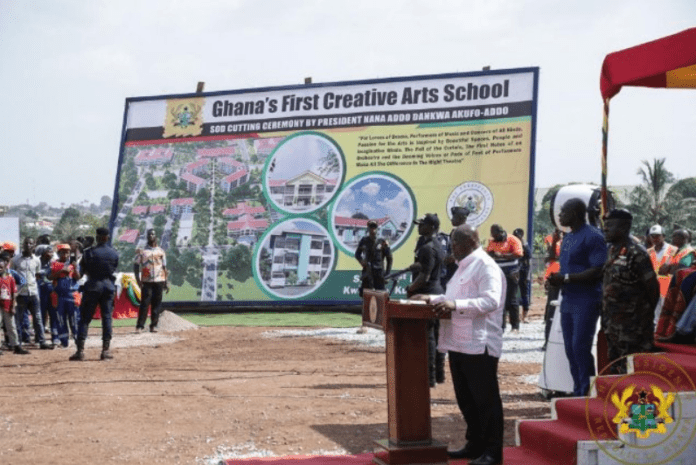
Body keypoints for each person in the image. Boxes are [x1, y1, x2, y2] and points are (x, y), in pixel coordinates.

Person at [415, 224, 505, 465]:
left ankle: (493, 453)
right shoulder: (463, 266)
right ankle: (475, 444)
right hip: (459, 341)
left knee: (485, 400)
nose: (451, 248)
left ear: (470, 242)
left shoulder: (485, 266)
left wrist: (456, 306)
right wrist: (433, 298)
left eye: (454, 243)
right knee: (466, 399)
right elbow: (453, 299)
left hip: (480, 343)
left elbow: (491, 301)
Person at [548, 198, 607, 397]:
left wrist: (565, 278)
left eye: (563, 211)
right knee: (570, 349)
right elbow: (566, 268)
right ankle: (577, 390)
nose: (560, 215)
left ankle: (587, 392)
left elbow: (598, 270)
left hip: (586, 299)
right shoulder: (568, 237)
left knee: (580, 347)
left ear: (574, 213)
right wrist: (555, 280)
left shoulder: (593, 237)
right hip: (568, 299)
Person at [602, 209, 659, 374]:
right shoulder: (612, 251)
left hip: (633, 329)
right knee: (616, 371)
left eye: (610, 225)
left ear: (625, 227)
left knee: (636, 372)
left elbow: (652, 289)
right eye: (605, 225)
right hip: (613, 326)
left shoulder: (637, 253)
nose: (605, 229)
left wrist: (643, 318)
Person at [70, 227, 119, 361]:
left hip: (92, 286)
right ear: (107, 237)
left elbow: (81, 274)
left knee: (85, 319)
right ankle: (105, 350)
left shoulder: (88, 253)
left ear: (97, 237)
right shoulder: (114, 253)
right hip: (108, 286)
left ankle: (80, 351)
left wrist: (76, 268)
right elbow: (113, 268)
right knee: (107, 318)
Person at [407, 213, 444, 388]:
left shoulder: (428, 247)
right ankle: (438, 375)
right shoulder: (436, 244)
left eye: (421, 224)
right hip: (435, 291)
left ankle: (429, 378)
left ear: (430, 226)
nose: (418, 227)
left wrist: (410, 288)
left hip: (427, 293)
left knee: (428, 335)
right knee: (435, 334)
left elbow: (424, 276)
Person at [12, 237, 53, 350]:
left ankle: (41, 341)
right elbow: (12, 276)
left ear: (34, 245)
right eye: (26, 243)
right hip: (21, 294)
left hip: (33, 292)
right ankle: (18, 343)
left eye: (30, 243)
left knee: (38, 318)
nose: (28, 245)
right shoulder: (15, 260)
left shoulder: (36, 260)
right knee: (18, 319)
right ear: (23, 244)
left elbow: (37, 275)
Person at [486, 224, 523, 332]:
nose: (495, 237)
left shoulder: (513, 240)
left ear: (502, 232)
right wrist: (490, 254)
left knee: (511, 299)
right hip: (497, 274)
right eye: (493, 235)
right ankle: (501, 326)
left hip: (511, 273)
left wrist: (502, 255)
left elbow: (519, 254)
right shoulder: (493, 241)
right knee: (499, 300)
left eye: (496, 235)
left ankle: (515, 326)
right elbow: (490, 253)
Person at [134, 229, 170, 333]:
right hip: (146, 281)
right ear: (147, 236)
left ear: (156, 236)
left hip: (159, 280)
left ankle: (153, 325)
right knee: (145, 303)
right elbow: (136, 265)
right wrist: (137, 279)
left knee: (157, 303)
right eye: (149, 234)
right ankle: (140, 326)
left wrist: (166, 281)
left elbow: (164, 267)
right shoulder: (142, 251)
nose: (151, 236)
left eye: (153, 234)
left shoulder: (161, 251)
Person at [49, 243, 81, 348]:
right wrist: (61, 271)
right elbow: (49, 277)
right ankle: (64, 341)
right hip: (59, 296)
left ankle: (78, 340)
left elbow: (78, 277)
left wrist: (75, 268)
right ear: (58, 253)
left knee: (74, 319)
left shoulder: (73, 264)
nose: (65, 254)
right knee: (60, 319)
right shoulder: (54, 264)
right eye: (62, 252)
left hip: (71, 295)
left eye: (67, 252)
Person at [0, 251, 31, 355]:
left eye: (6, 260)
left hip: (8, 304)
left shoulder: (11, 275)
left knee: (11, 325)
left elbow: (21, 284)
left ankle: (16, 346)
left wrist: (15, 298)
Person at [354, 221, 392, 298]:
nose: (373, 229)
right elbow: (357, 254)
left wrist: (387, 274)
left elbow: (389, 258)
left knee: (381, 294)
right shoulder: (364, 240)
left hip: (379, 271)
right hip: (368, 270)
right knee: (365, 294)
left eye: (374, 227)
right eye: (371, 227)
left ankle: (381, 310)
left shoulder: (382, 241)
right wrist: (361, 261)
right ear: (368, 228)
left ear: (377, 228)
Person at [542, 229, 563, 349]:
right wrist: (554, 242)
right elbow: (550, 257)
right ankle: (548, 341)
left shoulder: (574, 240)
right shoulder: (554, 244)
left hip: (571, 280)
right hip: (555, 280)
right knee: (552, 311)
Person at [512, 228, 532, 323]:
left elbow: (529, 255)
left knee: (524, 293)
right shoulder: (512, 244)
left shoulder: (525, 244)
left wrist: (523, 243)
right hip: (514, 271)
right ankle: (514, 316)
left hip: (523, 271)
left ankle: (525, 316)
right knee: (513, 293)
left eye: (518, 236)